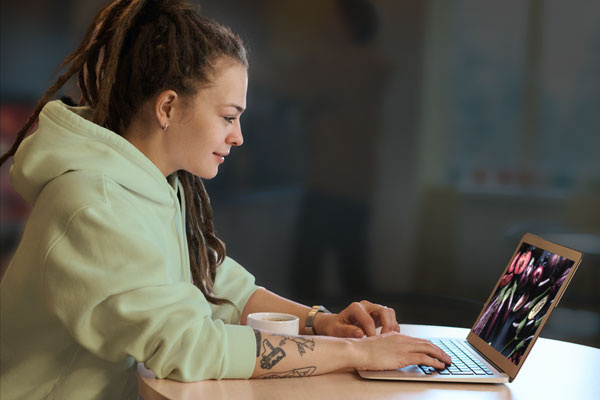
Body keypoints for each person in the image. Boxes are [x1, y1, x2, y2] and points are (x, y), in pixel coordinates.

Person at [0, 1, 451, 399]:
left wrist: (320, 322)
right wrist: (356, 354)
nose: (238, 137)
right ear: (168, 107)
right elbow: (189, 347)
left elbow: (212, 280)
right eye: (228, 117)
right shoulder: (94, 203)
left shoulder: (152, 184)